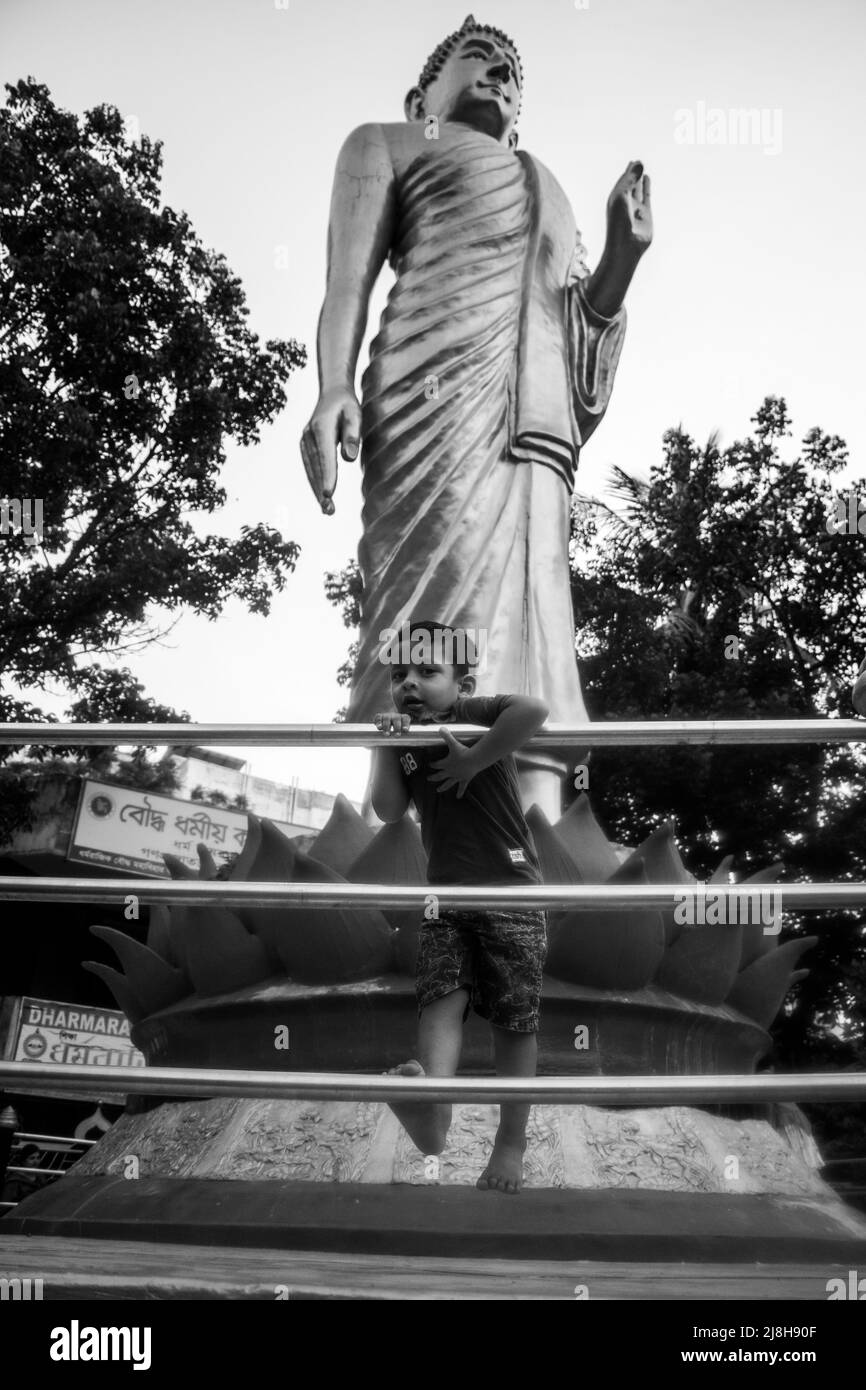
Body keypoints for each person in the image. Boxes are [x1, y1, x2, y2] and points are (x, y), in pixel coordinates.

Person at [301, 14, 652, 819]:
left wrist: (621, 260)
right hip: (430, 394)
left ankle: (539, 815)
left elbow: (572, 329)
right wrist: (332, 386)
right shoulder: (385, 142)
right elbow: (346, 283)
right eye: (478, 60)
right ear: (420, 91)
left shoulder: (551, 188)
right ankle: (397, 810)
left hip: (530, 426)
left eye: (512, 73)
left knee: (536, 609)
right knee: (427, 586)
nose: (498, 75)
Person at [370, 619, 548, 1194]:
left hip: (512, 890)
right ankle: (433, 1116)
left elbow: (535, 709)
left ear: (462, 682)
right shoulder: (407, 741)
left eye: (428, 672)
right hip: (444, 895)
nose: (410, 685)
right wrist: (386, 743)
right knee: (439, 999)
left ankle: (510, 1144)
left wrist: (475, 758)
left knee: (512, 1020)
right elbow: (389, 810)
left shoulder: (480, 715)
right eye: (400, 676)